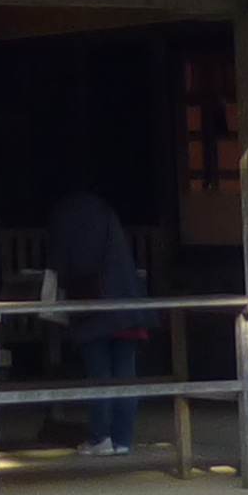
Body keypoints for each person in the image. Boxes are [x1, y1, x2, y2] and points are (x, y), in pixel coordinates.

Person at [42, 185, 152, 456]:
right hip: (127, 299)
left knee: (99, 374)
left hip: (92, 302)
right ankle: (122, 439)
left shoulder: (63, 214)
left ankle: (99, 437)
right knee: (125, 372)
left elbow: (58, 262)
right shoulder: (104, 210)